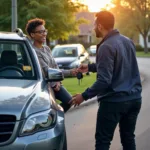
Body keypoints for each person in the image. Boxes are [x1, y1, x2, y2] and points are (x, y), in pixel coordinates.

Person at [70, 11, 142, 150]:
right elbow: (117, 65)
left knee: (103, 141)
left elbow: (104, 81)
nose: (93, 28)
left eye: (95, 24)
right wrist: (90, 67)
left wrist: (83, 96)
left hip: (113, 102)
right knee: (128, 139)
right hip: (134, 99)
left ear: (101, 26)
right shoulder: (128, 41)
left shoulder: (106, 46)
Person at [25, 18, 75, 112]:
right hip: (44, 85)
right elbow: (46, 70)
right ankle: (51, 117)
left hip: (55, 81)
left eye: (44, 31)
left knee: (69, 101)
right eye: (40, 32)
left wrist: (58, 81)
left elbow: (54, 66)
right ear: (32, 34)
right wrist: (71, 72)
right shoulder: (33, 52)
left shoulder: (47, 49)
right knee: (52, 106)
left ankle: (53, 116)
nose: (44, 34)